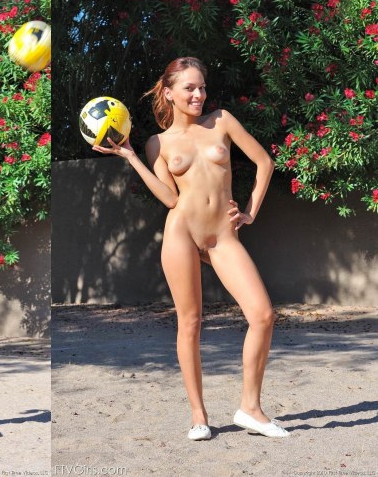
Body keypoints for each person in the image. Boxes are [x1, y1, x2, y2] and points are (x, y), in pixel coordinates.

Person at [93, 57, 288, 440]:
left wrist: (250, 212)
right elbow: (170, 198)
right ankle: (199, 416)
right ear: (169, 93)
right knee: (191, 322)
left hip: (223, 236)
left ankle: (250, 409)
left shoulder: (222, 121)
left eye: (202, 87)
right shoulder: (158, 143)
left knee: (263, 315)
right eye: (190, 88)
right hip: (181, 233)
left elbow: (264, 162)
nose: (199, 94)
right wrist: (131, 156)